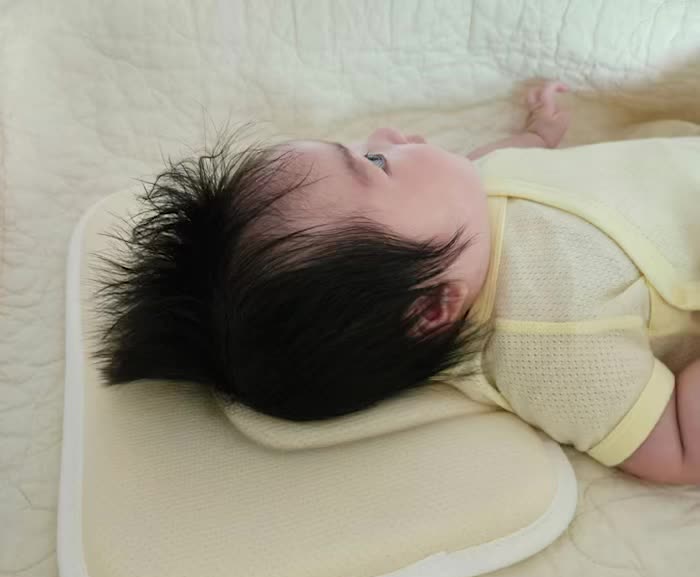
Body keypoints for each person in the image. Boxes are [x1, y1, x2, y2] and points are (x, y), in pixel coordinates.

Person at [96, 82, 700, 484]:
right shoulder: (549, 342)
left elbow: (490, 167)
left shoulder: (457, 219)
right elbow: (676, 446)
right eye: (376, 164)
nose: (388, 135)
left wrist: (536, 139)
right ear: (432, 309)